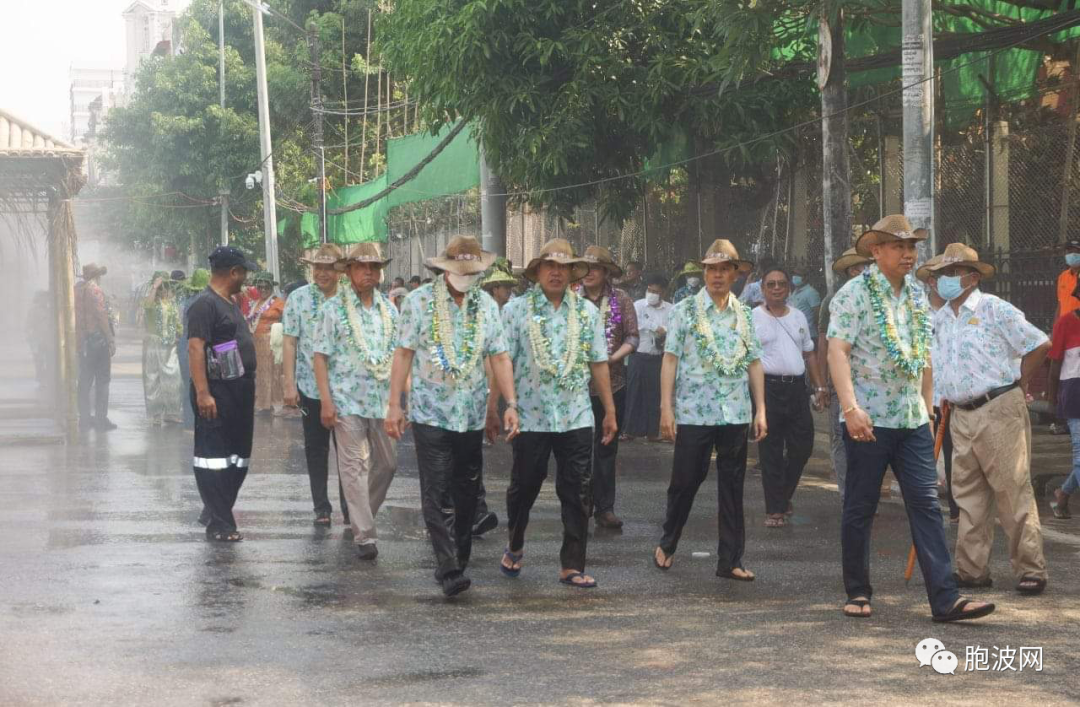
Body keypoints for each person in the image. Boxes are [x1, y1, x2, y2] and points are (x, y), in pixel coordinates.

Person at [827, 214, 994, 622]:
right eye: (898, 246)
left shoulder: (919, 296)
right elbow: (838, 351)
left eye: (912, 247)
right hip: (868, 418)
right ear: (876, 251)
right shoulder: (853, 294)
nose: (908, 254)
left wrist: (929, 405)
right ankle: (858, 591)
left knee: (926, 505)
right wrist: (850, 408)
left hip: (912, 418)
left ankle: (945, 599)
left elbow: (924, 355)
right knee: (861, 505)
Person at [386, 236, 520, 597]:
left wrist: (509, 405)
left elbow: (500, 357)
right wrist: (395, 405)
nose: (465, 275)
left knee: (465, 491)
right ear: (444, 268)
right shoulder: (418, 302)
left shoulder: (487, 307)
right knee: (436, 489)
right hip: (430, 412)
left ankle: (457, 560)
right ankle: (447, 568)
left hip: (471, 414)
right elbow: (403, 354)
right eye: (458, 269)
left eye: (472, 270)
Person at [925, 243, 1050, 596]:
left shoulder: (994, 308)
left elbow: (1039, 343)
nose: (943, 281)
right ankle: (971, 570)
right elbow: (939, 366)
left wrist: (1020, 382)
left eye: (951, 273)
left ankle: (1030, 568)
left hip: (998, 407)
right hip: (959, 413)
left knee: (1012, 490)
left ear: (972, 276)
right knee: (967, 495)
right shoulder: (940, 319)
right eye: (940, 275)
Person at [499, 238, 617, 589]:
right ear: (537, 272)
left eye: (563, 267)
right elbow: (503, 361)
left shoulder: (585, 312)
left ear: (572, 273)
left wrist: (609, 410)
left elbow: (598, 361)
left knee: (579, 490)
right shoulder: (516, 310)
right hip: (531, 415)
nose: (556, 272)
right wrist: (503, 406)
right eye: (549, 266)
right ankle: (516, 543)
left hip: (576, 415)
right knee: (524, 486)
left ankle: (572, 564)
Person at [653, 240, 766, 581]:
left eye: (724, 269)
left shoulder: (744, 313)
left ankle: (730, 560)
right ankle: (668, 542)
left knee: (732, 487)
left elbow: (755, 362)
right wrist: (666, 408)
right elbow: (670, 360)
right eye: (711, 269)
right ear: (704, 272)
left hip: (734, 412)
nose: (717, 275)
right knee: (685, 481)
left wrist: (761, 409)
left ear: (735, 273)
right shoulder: (684, 311)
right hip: (694, 412)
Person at [313, 243, 398, 561]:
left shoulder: (389, 310)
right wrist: (325, 400)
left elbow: (399, 356)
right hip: (345, 400)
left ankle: (362, 516)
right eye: (362, 267)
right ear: (348, 271)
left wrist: (400, 401)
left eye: (374, 267)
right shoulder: (333, 309)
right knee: (354, 466)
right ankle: (364, 535)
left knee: (388, 465)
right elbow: (320, 357)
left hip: (382, 400)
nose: (369, 273)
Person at [186, 246, 260, 542]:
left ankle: (216, 507)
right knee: (213, 457)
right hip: (216, 391)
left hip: (239, 389)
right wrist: (203, 393)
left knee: (239, 456)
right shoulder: (204, 305)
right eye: (244, 272)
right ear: (233, 272)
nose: (246, 279)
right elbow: (195, 348)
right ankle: (221, 523)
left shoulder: (229, 302)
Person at [752, 266, 827, 528]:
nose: (776, 288)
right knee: (770, 449)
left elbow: (810, 354)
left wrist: (820, 388)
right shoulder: (753, 318)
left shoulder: (798, 317)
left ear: (789, 288)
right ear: (762, 289)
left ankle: (781, 495)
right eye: (770, 284)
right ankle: (775, 509)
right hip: (767, 388)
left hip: (797, 389)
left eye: (781, 284)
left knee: (802, 446)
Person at [282, 244, 350, 527]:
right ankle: (321, 506)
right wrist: (289, 384)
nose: (322, 273)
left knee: (350, 451)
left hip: (347, 390)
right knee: (316, 448)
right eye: (317, 268)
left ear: (340, 271)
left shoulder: (350, 298)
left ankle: (351, 507)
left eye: (328, 268)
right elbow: (289, 341)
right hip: (310, 387)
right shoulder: (298, 298)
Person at [579, 246, 639, 529]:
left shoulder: (622, 299)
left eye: (596, 268)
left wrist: (611, 359)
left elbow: (633, 337)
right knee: (578, 448)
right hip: (576, 387)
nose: (589, 273)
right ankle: (580, 504)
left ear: (605, 273)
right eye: (585, 268)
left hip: (612, 384)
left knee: (606, 447)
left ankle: (605, 507)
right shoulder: (571, 299)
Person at [817, 248, 871, 504]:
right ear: (853, 271)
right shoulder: (834, 300)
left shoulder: (878, 298)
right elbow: (824, 342)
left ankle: (864, 492)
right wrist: (823, 383)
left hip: (869, 380)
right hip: (840, 378)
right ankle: (846, 493)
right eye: (864, 266)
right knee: (840, 435)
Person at [914, 255, 959, 523]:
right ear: (932, 281)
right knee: (922, 456)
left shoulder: (961, 312)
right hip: (923, 397)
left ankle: (956, 509)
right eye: (945, 275)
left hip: (953, 395)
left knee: (956, 455)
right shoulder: (916, 311)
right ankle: (923, 508)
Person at [625, 273, 673, 442]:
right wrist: (655, 327)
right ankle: (629, 430)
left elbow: (672, 327)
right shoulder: (638, 305)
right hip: (638, 355)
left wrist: (664, 331)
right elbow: (634, 323)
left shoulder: (670, 309)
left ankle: (653, 432)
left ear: (664, 293)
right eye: (650, 290)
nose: (652, 293)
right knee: (633, 393)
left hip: (658, 357)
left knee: (655, 395)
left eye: (656, 291)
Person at [1048, 278, 1080, 521]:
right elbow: (1055, 362)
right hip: (1074, 398)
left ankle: (1062, 495)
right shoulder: (1066, 324)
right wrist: (1051, 400)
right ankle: (1062, 495)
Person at [75, 263, 116, 430]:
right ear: (97, 276)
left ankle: (84, 417)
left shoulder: (76, 290)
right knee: (103, 381)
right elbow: (101, 317)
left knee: (84, 380)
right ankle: (101, 418)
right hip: (97, 340)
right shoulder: (96, 290)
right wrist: (110, 339)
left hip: (82, 340)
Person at [142, 272, 184, 426]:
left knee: (174, 377)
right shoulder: (152, 302)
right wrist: (154, 288)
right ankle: (156, 414)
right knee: (153, 378)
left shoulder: (172, 304)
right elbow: (147, 306)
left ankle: (171, 412)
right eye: (162, 288)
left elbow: (177, 323)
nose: (164, 291)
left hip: (171, 345)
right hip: (154, 344)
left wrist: (179, 335)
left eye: (166, 287)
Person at [247, 272, 285, 415]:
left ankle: (276, 403)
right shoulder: (257, 303)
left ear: (271, 288)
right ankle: (263, 403)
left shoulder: (278, 302)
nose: (262, 290)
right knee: (261, 373)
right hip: (257, 342)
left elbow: (288, 318)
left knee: (273, 372)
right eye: (260, 287)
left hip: (271, 342)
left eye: (266, 287)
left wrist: (277, 325)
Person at [179, 269, 210, 429]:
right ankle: (198, 422)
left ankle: (189, 422)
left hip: (184, 345)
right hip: (199, 346)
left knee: (188, 384)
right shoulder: (205, 302)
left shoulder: (186, 301)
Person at [788, 265, 822, 340]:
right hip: (796, 333)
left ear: (805, 277)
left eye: (798, 275)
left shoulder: (811, 292)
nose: (795, 277)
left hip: (809, 334)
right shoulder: (795, 292)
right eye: (794, 274)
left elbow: (817, 313)